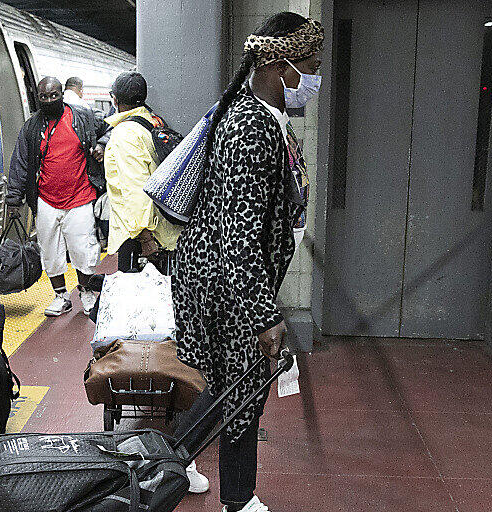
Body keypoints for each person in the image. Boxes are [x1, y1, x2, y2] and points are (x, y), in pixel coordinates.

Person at [171, 12, 323, 512]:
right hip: (227, 285)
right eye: (310, 65)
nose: (315, 78)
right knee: (245, 392)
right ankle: (238, 499)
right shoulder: (251, 129)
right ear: (281, 67)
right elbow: (239, 236)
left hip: (222, 276)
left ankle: (174, 464)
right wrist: (264, 314)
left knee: (219, 384)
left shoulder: (259, 118)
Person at [6, 77, 107, 317]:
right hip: (45, 200)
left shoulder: (83, 117)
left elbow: (110, 128)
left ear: (62, 94)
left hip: (80, 197)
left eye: (54, 95)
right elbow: (19, 163)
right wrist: (13, 199)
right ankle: (62, 296)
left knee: (83, 250)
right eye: (44, 97)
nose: (49, 100)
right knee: (50, 252)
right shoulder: (31, 128)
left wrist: (102, 144)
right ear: (38, 98)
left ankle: (85, 292)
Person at [102, 71, 182, 274]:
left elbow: (135, 188)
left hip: (138, 236)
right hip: (160, 228)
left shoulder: (125, 134)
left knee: (136, 300)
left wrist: (145, 238)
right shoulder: (153, 121)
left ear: (115, 99)